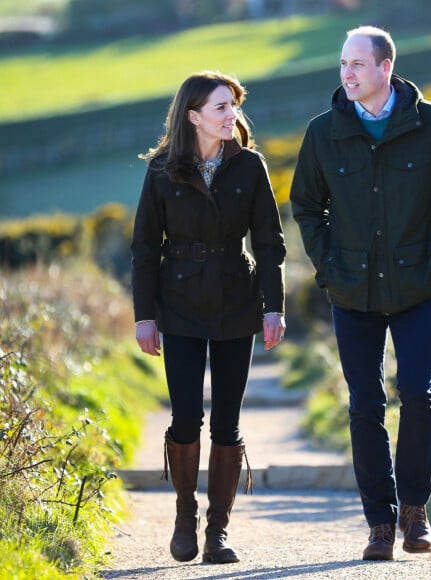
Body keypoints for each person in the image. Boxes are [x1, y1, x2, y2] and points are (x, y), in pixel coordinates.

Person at [290, 26, 431, 561]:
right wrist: (328, 269)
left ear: (385, 67)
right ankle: (379, 523)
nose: (346, 74)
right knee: (364, 404)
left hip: (419, 288)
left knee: (418, 396)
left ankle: (415, 513)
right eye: (342, 64)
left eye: (356, 64)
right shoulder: (323, 133)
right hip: (351, 293)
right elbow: (306, 205)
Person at [131, 71, 286, 565]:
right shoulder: (161, 170)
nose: (231, 115)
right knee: (184, 417)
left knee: (227, 420)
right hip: (177, 307)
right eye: (221, 107)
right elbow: (142, 250)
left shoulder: (252, 167)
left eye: (234, 106)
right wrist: (144, 316)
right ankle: (183, 514)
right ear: (193, 115)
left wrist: (273, 306)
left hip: (236, 302)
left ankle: (217, 532)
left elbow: (269, 244)